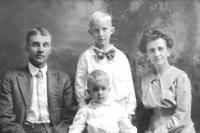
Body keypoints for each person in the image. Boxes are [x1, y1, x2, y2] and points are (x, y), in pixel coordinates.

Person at [0, 27, 75, 133]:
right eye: (35, 44)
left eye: (45, 45)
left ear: (50, 50)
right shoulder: (11, 79)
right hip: (24, 130)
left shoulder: (63, 79)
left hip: (54, 130)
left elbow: (70, 115)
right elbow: (4, 117)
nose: (41, 50)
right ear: (27, 48)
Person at [75, 10, 136, 120]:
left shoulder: (121, 57)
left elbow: (129, 87)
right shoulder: (86, 58)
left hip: (119, 113)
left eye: (104, 29)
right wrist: (84, 112)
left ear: (112, 30)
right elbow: (79, 88)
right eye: (96, 30)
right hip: (95, 114)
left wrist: (129, 113)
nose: (101, 34)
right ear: (90, 32)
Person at [138, 28, 196, 133]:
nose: (156, 54)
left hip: (180, 129)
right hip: (153, 129)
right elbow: (145, 113)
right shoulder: (145, 80)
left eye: (160, 49)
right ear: (147, 54)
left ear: (168, 51)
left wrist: (160, 131)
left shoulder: (181, 77)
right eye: (152, 50)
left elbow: (183, 114)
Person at [69, 70, 137, 133]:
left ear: (109, 89)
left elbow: (128, 129)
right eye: (95, 89)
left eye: (103, 89)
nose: (100, 93)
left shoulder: (117, 109)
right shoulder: (86, 110)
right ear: (89, 92)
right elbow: (76, 128)